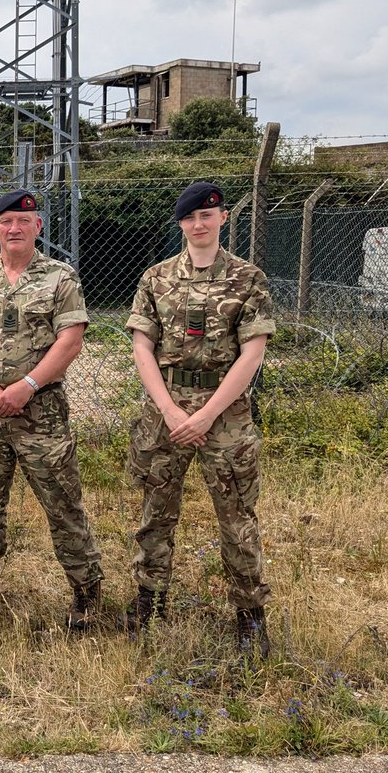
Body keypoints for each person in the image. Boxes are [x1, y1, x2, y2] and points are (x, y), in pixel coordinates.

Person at [125, 180, 275, 658]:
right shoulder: (157, 277)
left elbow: (252, 353)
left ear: (222, 218)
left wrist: (207, 415)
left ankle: (250, 616)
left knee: (237, 517)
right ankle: (150, 602)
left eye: (207, 215)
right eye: (190, 218)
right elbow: (141, 346)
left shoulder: (248, 279)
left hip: (223, 412)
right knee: (156, 512)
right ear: (181, 224)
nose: (198, 224)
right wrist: (170, 410)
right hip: (165, 409)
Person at [0, 188, 104, 628]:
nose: (14, 228)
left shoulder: (60, 278)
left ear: (38, 227)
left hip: (41, 413)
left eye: (23, 221)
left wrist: (27, 386)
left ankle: (85, 591)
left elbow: (70, 340)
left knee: (62, 501)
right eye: (6, 221)